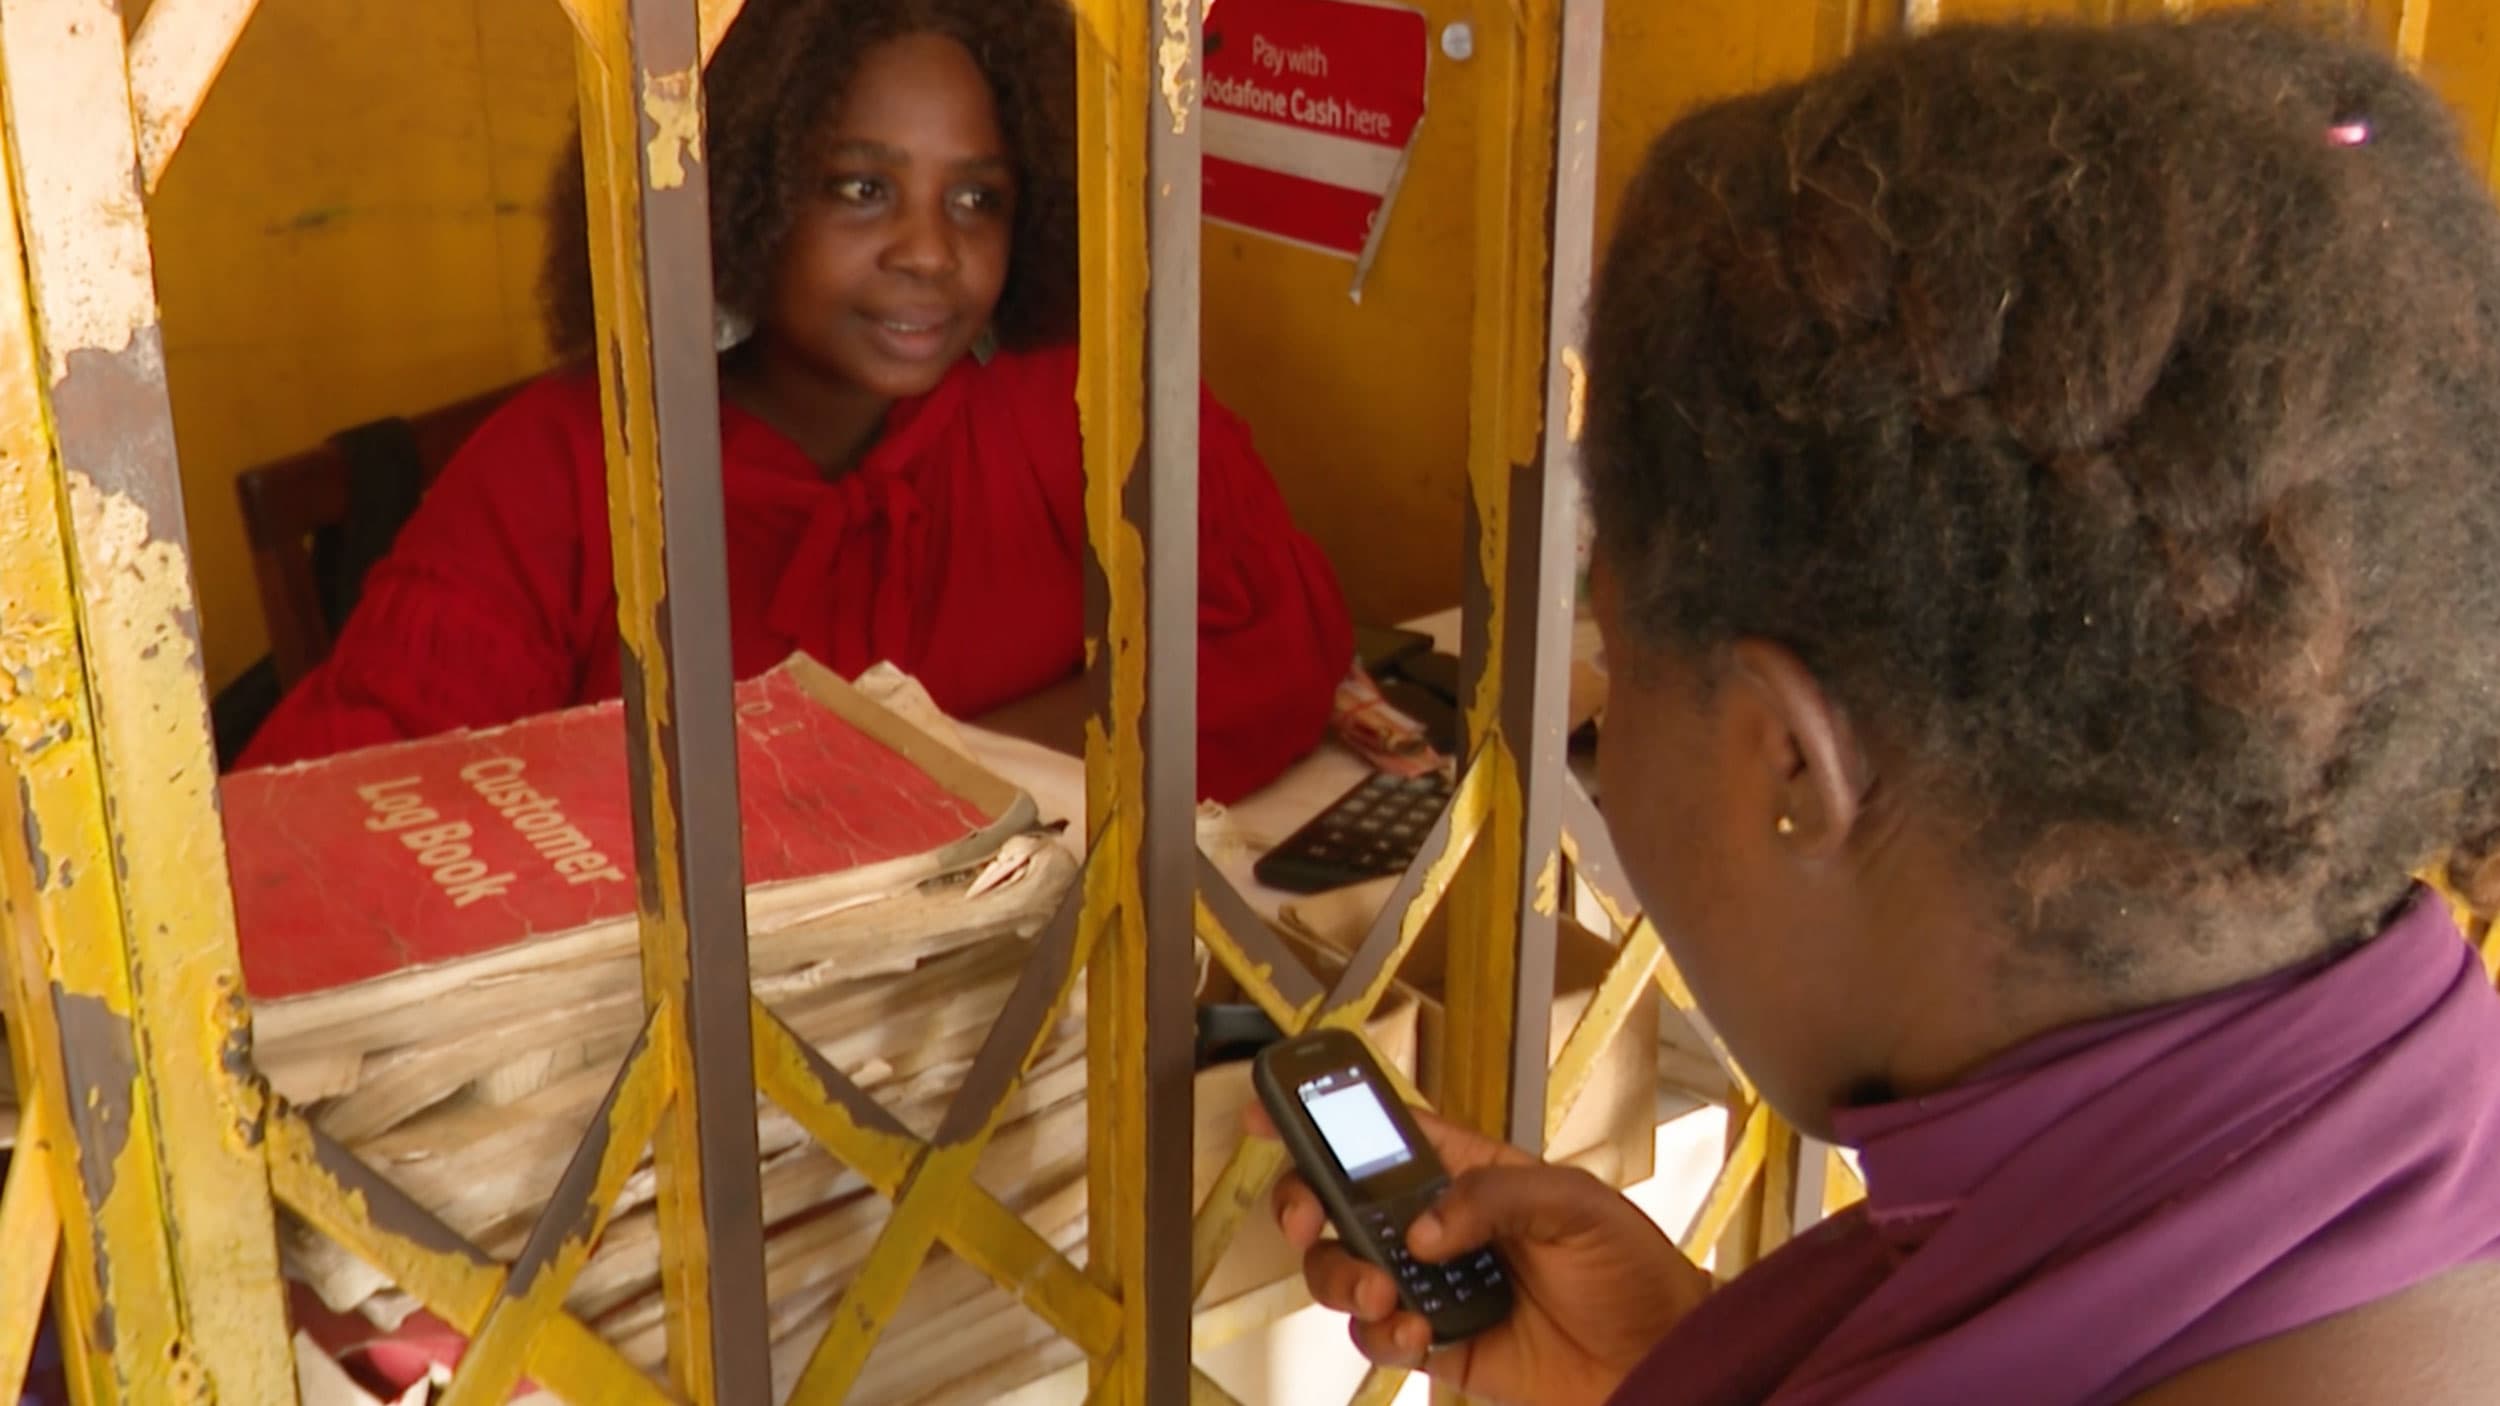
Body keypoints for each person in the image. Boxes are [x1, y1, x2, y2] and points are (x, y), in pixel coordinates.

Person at [1264, 14, 2500, 1403]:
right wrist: (1697, 1366)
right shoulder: (2416, 1164)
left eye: (1619, 662)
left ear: (1789, 760)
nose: (1606, 758)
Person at [237, 0, 1352, 803]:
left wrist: (923, 771)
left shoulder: (1079, 407)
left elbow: (1274, 653)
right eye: (860, 189)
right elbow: (327, 820)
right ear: (738, 194)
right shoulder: (573, 470)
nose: (930, 252)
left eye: (978, 198)